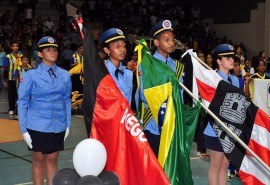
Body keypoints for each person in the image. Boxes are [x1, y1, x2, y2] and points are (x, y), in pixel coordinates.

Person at [17, 36, 72, 185]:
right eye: (48, 50)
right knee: (38, 161)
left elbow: (67, 100)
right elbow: (22, 102)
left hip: (58, 125)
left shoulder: (65, 75)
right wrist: (23, 130)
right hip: (37, 125)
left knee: (53, 160)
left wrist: (68, 124)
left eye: (54, 49)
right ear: (40, 54)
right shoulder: (30, 75)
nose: (53, 52)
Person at [137, 20, 184, 156]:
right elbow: (143, 95)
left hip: (172, 124)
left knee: (170, 166)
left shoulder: (177, 66)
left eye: (172, 40)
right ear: (156, 43)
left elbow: (180, 95)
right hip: (153, 124)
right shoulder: (147, 65)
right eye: (166, 40)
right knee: (154, 168)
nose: (171, 43)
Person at [204, 44, 239, 185]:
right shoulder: (211, 79)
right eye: (228, 57)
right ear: (218, 61)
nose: (232, 60)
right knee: (216, 166)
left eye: (233, 57)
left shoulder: (235, 80)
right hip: (215, 129)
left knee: (225, 167)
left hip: (231, 130)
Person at [100, 28, 133, 105]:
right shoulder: (101, 73)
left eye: (124, 46)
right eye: (117, 46)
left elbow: (129, 101)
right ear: (106, 50)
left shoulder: (128, 74)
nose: (122, 49)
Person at [3, 41, 22, 115]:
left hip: (20, 78)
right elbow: (5, 68)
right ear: (11, 47)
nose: (15, 47)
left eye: (16, 46)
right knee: (12, 94)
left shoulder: (21, 55)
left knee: (20, 94)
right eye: (13, 46)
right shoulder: (8, 56)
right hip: (11, 78)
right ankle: (11, 108)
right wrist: (5, 79)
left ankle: (18, 109)